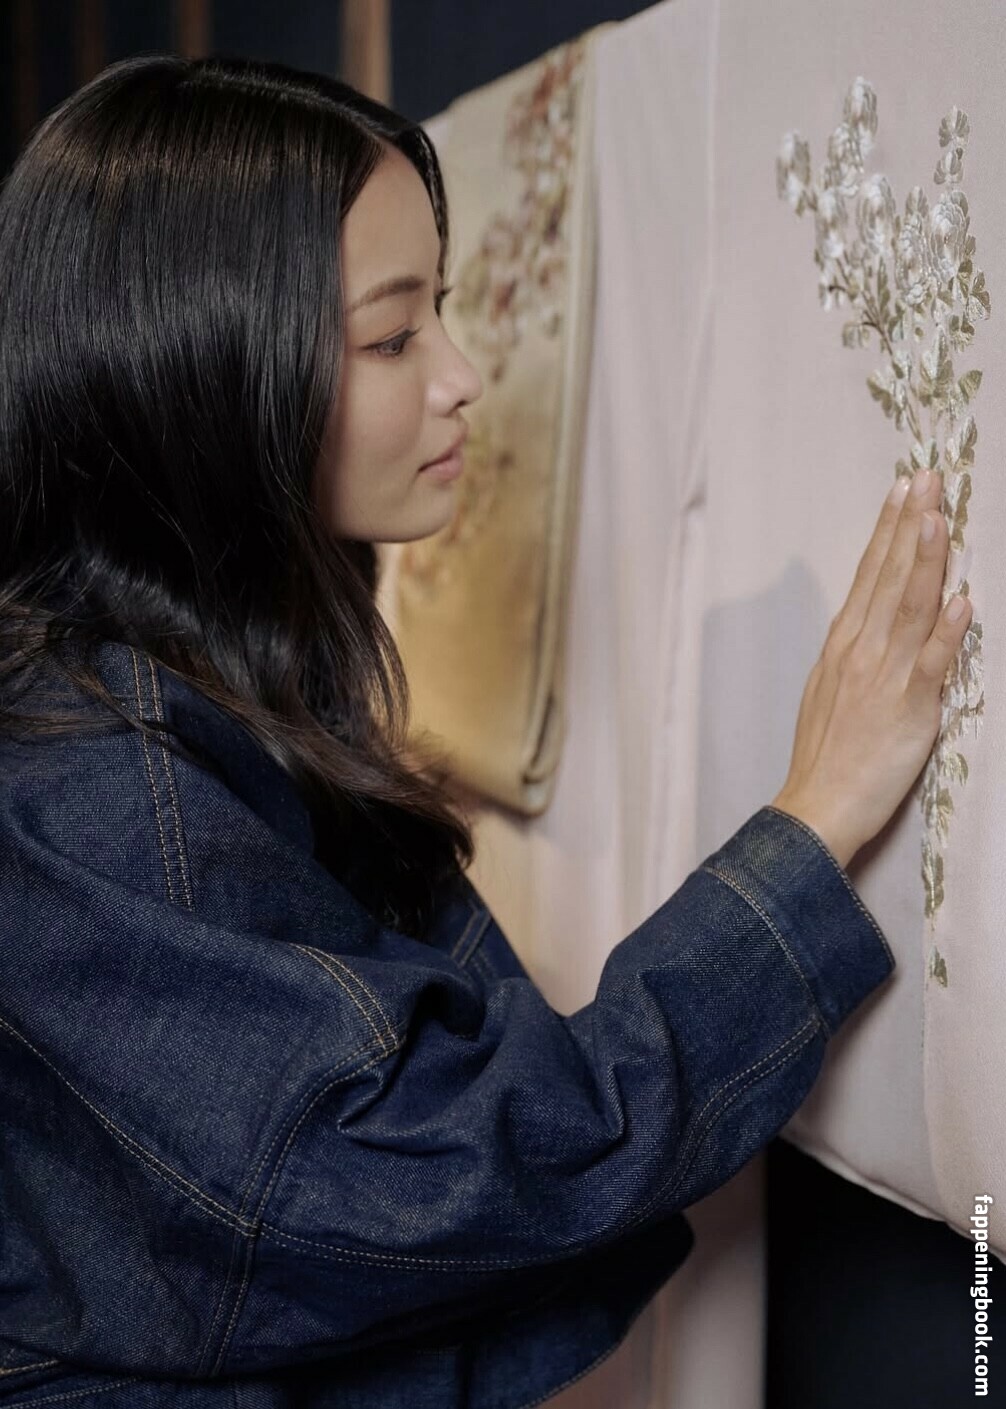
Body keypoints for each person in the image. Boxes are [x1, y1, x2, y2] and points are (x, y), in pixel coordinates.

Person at [0, 52, 971, 1409]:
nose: (462, 377)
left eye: (443, 310)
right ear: (202, 370)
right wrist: (811, 825)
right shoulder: (92, 788)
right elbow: (438, 1167)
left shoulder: (186, 680)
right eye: (394, 337)